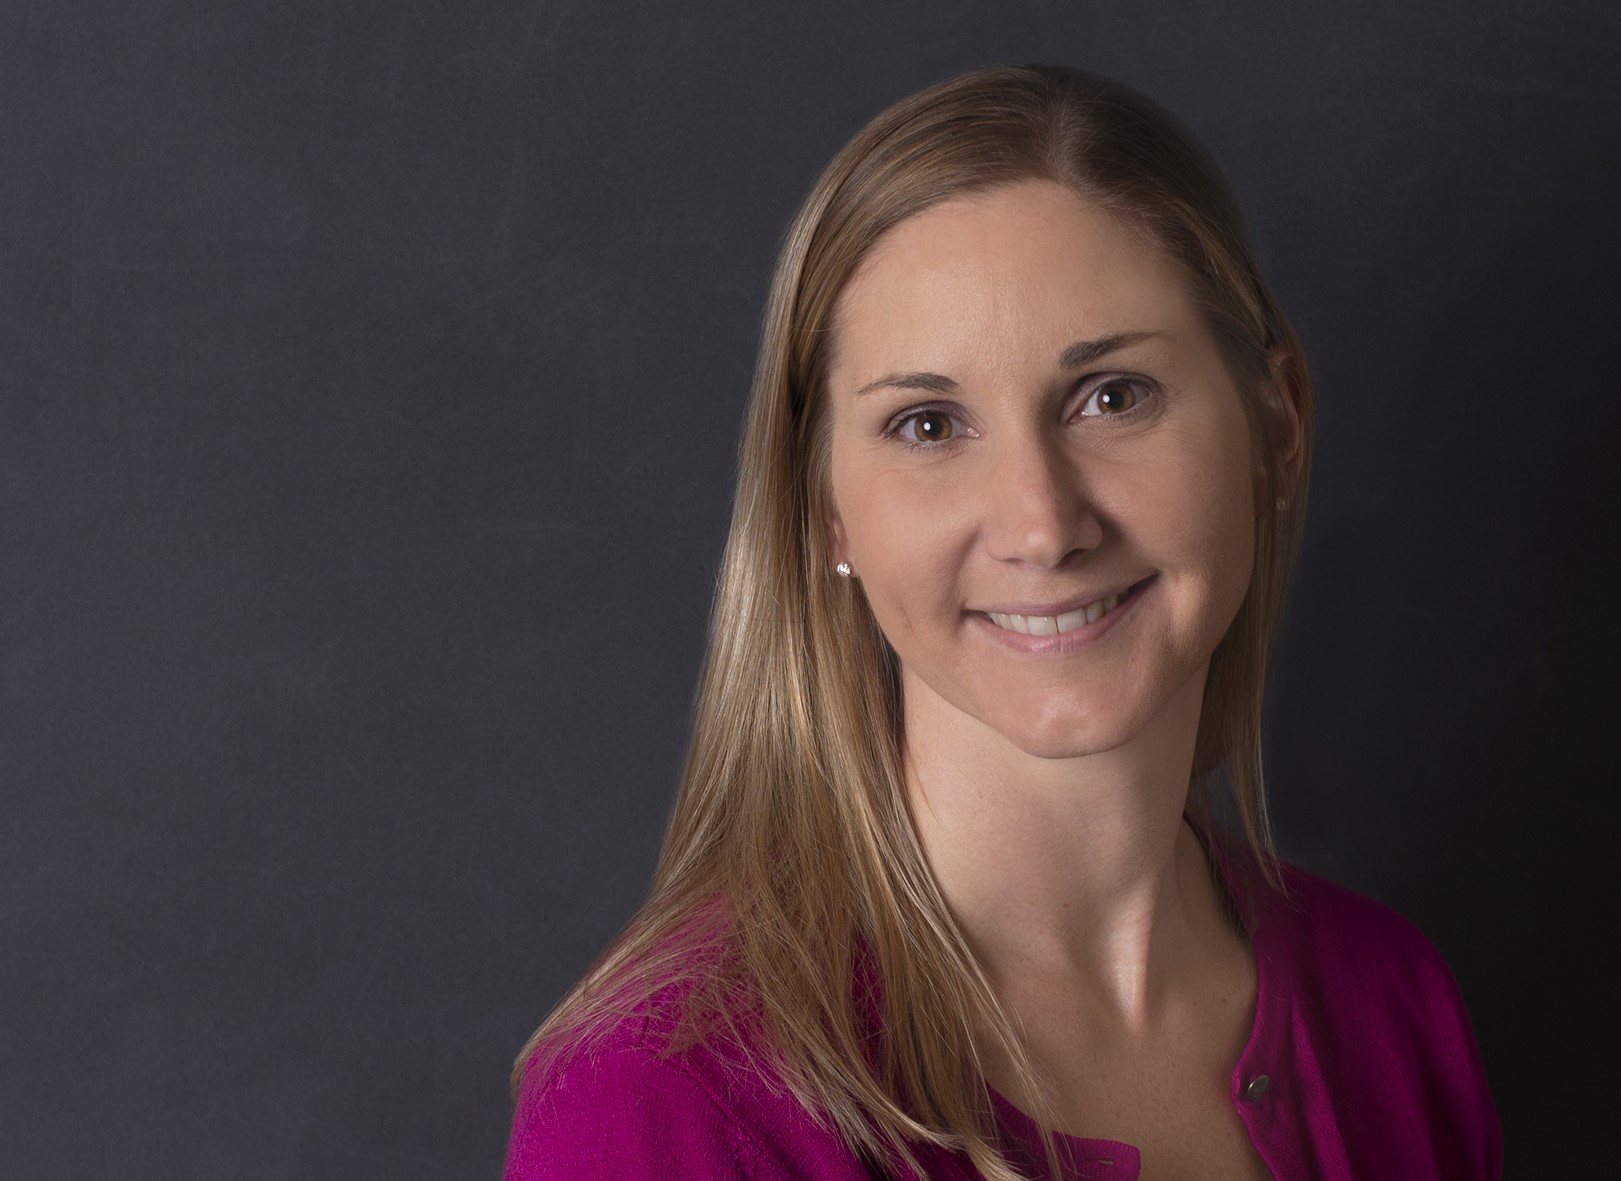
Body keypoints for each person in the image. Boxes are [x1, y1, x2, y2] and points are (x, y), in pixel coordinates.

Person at [504, 64, 1501, 1181]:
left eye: (1113, 395)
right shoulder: (667, 1096)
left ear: (1278, 426)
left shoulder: (1388, 1004)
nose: (1041, 524)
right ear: (823, 506)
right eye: (929, 424)